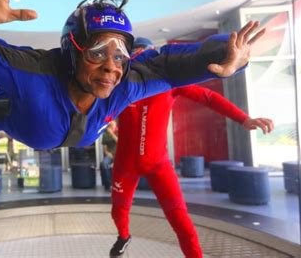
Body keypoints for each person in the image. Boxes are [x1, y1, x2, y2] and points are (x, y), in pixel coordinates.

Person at [0, 0, 265, 151]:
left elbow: (170, 64)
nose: (111, 68)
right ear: (72, 50)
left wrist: (228, 54)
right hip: (12, 112)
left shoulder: (125, 83)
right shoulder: (34, 73)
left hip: (53, 132)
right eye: (98, 51)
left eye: (120, 54)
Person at [109, 37, 274, 258]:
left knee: (180, 219)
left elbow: (207, 96)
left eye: (146, 54)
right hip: (126, 162)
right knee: (118, 211)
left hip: (158, 164)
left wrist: (243, 119)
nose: (144, 61)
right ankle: (124, 237)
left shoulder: (167, 80)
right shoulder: (121, 83)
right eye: (138, 55)